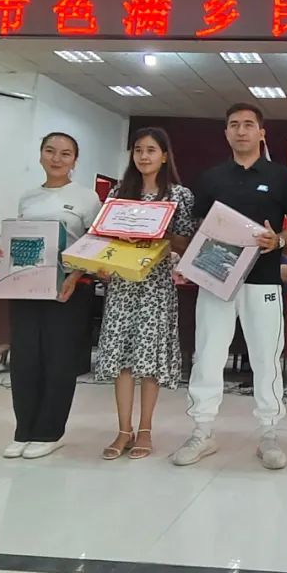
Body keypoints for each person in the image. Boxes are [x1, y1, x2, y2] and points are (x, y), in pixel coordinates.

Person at [172, 104, 287, 470]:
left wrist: (278, 241)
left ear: (262, 133)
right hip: (215, 279)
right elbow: (195, 229)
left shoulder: (280, 176)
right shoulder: (210, 178)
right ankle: (202, 430)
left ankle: (269, 433)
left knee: (266, 357)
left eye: (249, 125)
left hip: (263, 280)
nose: (241, 130)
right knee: (208, 354)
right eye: (234, 125)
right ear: (226, 133)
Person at [95, 127, 195, 461]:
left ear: (164, 156)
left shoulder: (179, 195)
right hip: (122, 285)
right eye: (138, 150)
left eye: (151, 150)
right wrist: (101, 264)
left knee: (148, 359)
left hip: (156, 286)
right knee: (122, 357)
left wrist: (159, 233)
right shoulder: (119, 193)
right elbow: (103, 237)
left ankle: (146, 429)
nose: (144, 156)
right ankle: (123, 430)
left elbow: (185, 241)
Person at [1, 132, 102, 460]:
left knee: (58, 362)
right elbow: (19, 238)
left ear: (75, 161)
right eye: (50, 151)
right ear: (40, 155)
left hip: (68, 290)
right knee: (25, 360)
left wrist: (74, 276)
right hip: (26, 288)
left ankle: (49, 432)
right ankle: (23, 430)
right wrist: (3, 251)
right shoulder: (28, 198)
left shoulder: (87, 198)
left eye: (65, 153)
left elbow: (96, 244)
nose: (57, 159)